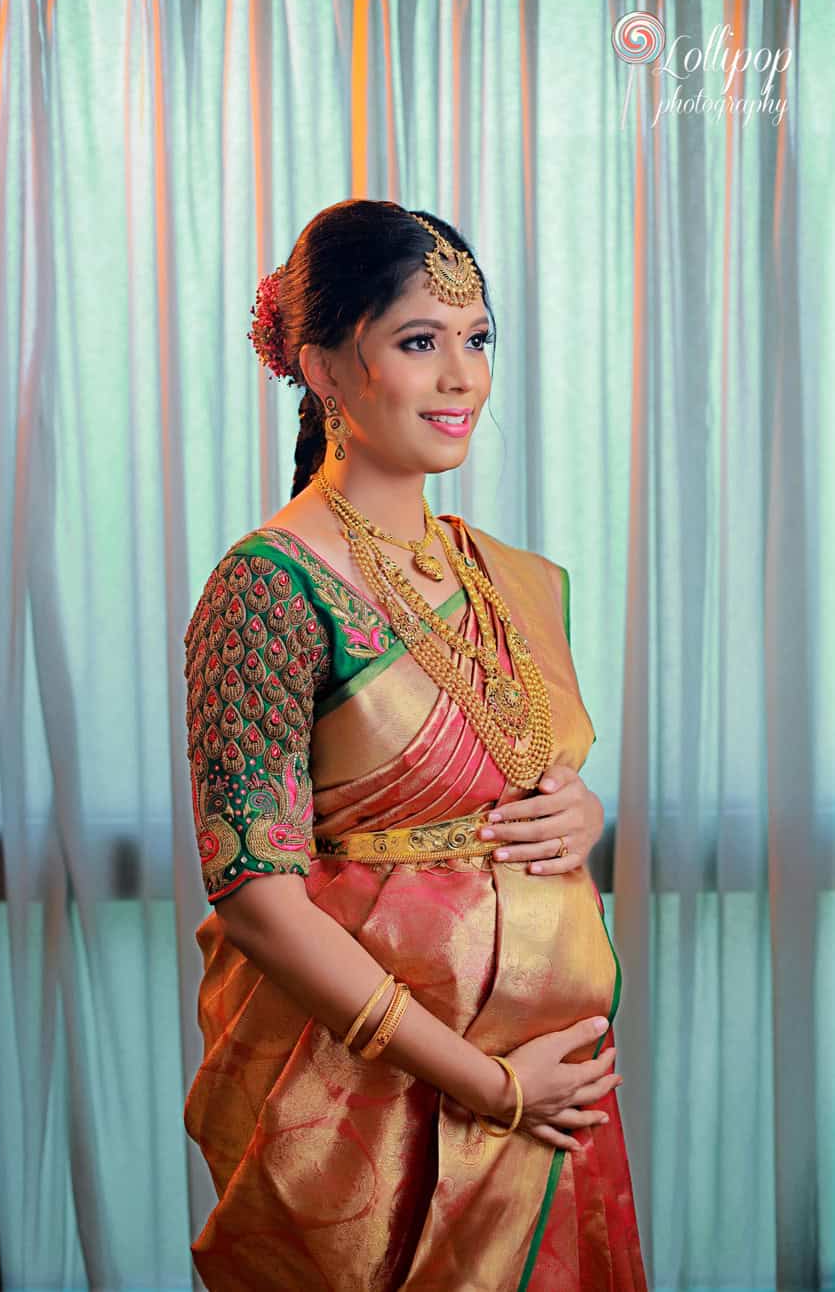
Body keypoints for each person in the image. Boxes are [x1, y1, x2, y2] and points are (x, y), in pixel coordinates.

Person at [183, 199, 647, 1291]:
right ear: (327, 368)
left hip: (553, 1087)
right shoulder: (268, 588)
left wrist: (582, 810)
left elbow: (517, 767)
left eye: (476, 339)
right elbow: (258, 898)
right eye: (418, 341)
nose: (461, 377)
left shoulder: (503, 574)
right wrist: (490, 1086)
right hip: (386, 1104)